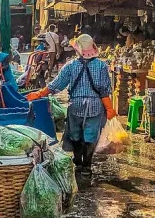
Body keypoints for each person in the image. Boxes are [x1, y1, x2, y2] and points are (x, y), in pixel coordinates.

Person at [27, 34, 115, 173]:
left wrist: (39, 94)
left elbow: (56, 85)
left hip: (76, 105)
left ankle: (78, 161)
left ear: (78, 50)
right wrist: (109, 108)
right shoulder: (102, 66)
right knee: (91, 134)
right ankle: (87, 164)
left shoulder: (71, 66)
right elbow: (105, 90)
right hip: (95, 105)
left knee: (75, 133)